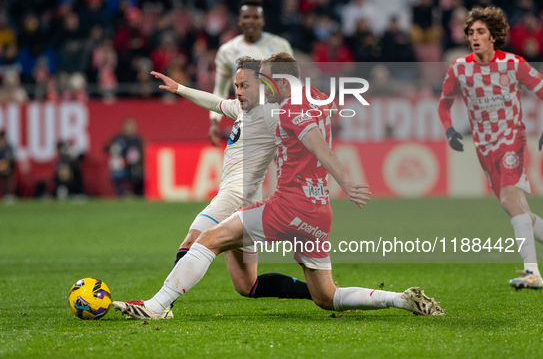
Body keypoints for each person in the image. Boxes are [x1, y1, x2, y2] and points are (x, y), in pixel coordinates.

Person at [113, 53, 444, 320]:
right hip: (317, 212)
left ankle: (157, 307)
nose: (258, 85)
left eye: (264, 78)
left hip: (286, 206)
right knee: (325, 297)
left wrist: (347, 182)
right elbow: (226, 104)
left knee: (206, 240)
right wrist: (182, 89)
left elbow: (317, 145)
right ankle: (400, 300)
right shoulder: (310, 99)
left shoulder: (283, 111)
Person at [134, 57, 312, 319]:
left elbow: (297, 134)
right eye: (236, 85)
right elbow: (216, 103)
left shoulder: (270, 114)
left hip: (234, 196)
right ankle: (321, 292)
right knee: (248, 285)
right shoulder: (243, 109)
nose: (238, 91)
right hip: (248, 205)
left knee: (192, 240)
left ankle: (161, 306)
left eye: (245, 85)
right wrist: (180, 89)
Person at [438, 6, 543, 290]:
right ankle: (532, 270)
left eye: (481, 32)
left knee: (511, 201)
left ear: (493, 36)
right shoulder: (459, 68)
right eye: (471, 32)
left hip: (512, 140)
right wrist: (449, 129)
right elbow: (443, 103)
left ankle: (532, 272)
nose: (475, 37)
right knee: (520, 209)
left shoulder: (513, 64)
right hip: (484, 148)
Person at [208, 0, 293, 147]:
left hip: (278, 120)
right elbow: (219, 90)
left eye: (255, 17)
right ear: (239, 20)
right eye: (247, 17)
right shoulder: (227, 51)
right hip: (248, 121)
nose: (251, 21)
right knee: (249, 169)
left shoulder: (280, 46)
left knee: (287, 167)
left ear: (263, 20)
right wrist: (214, 121)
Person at [105, 118, 144, 197]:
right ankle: (122, 194)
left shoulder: (138, 140)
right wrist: (112, 147)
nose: (129, 129)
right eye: (127, 126)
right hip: (122, 167)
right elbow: (106, 148)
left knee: (142, 175)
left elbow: (145, 154)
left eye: (131, 126)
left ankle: (140, 195)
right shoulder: (118, 139)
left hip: (135, 167)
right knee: (116, 171)